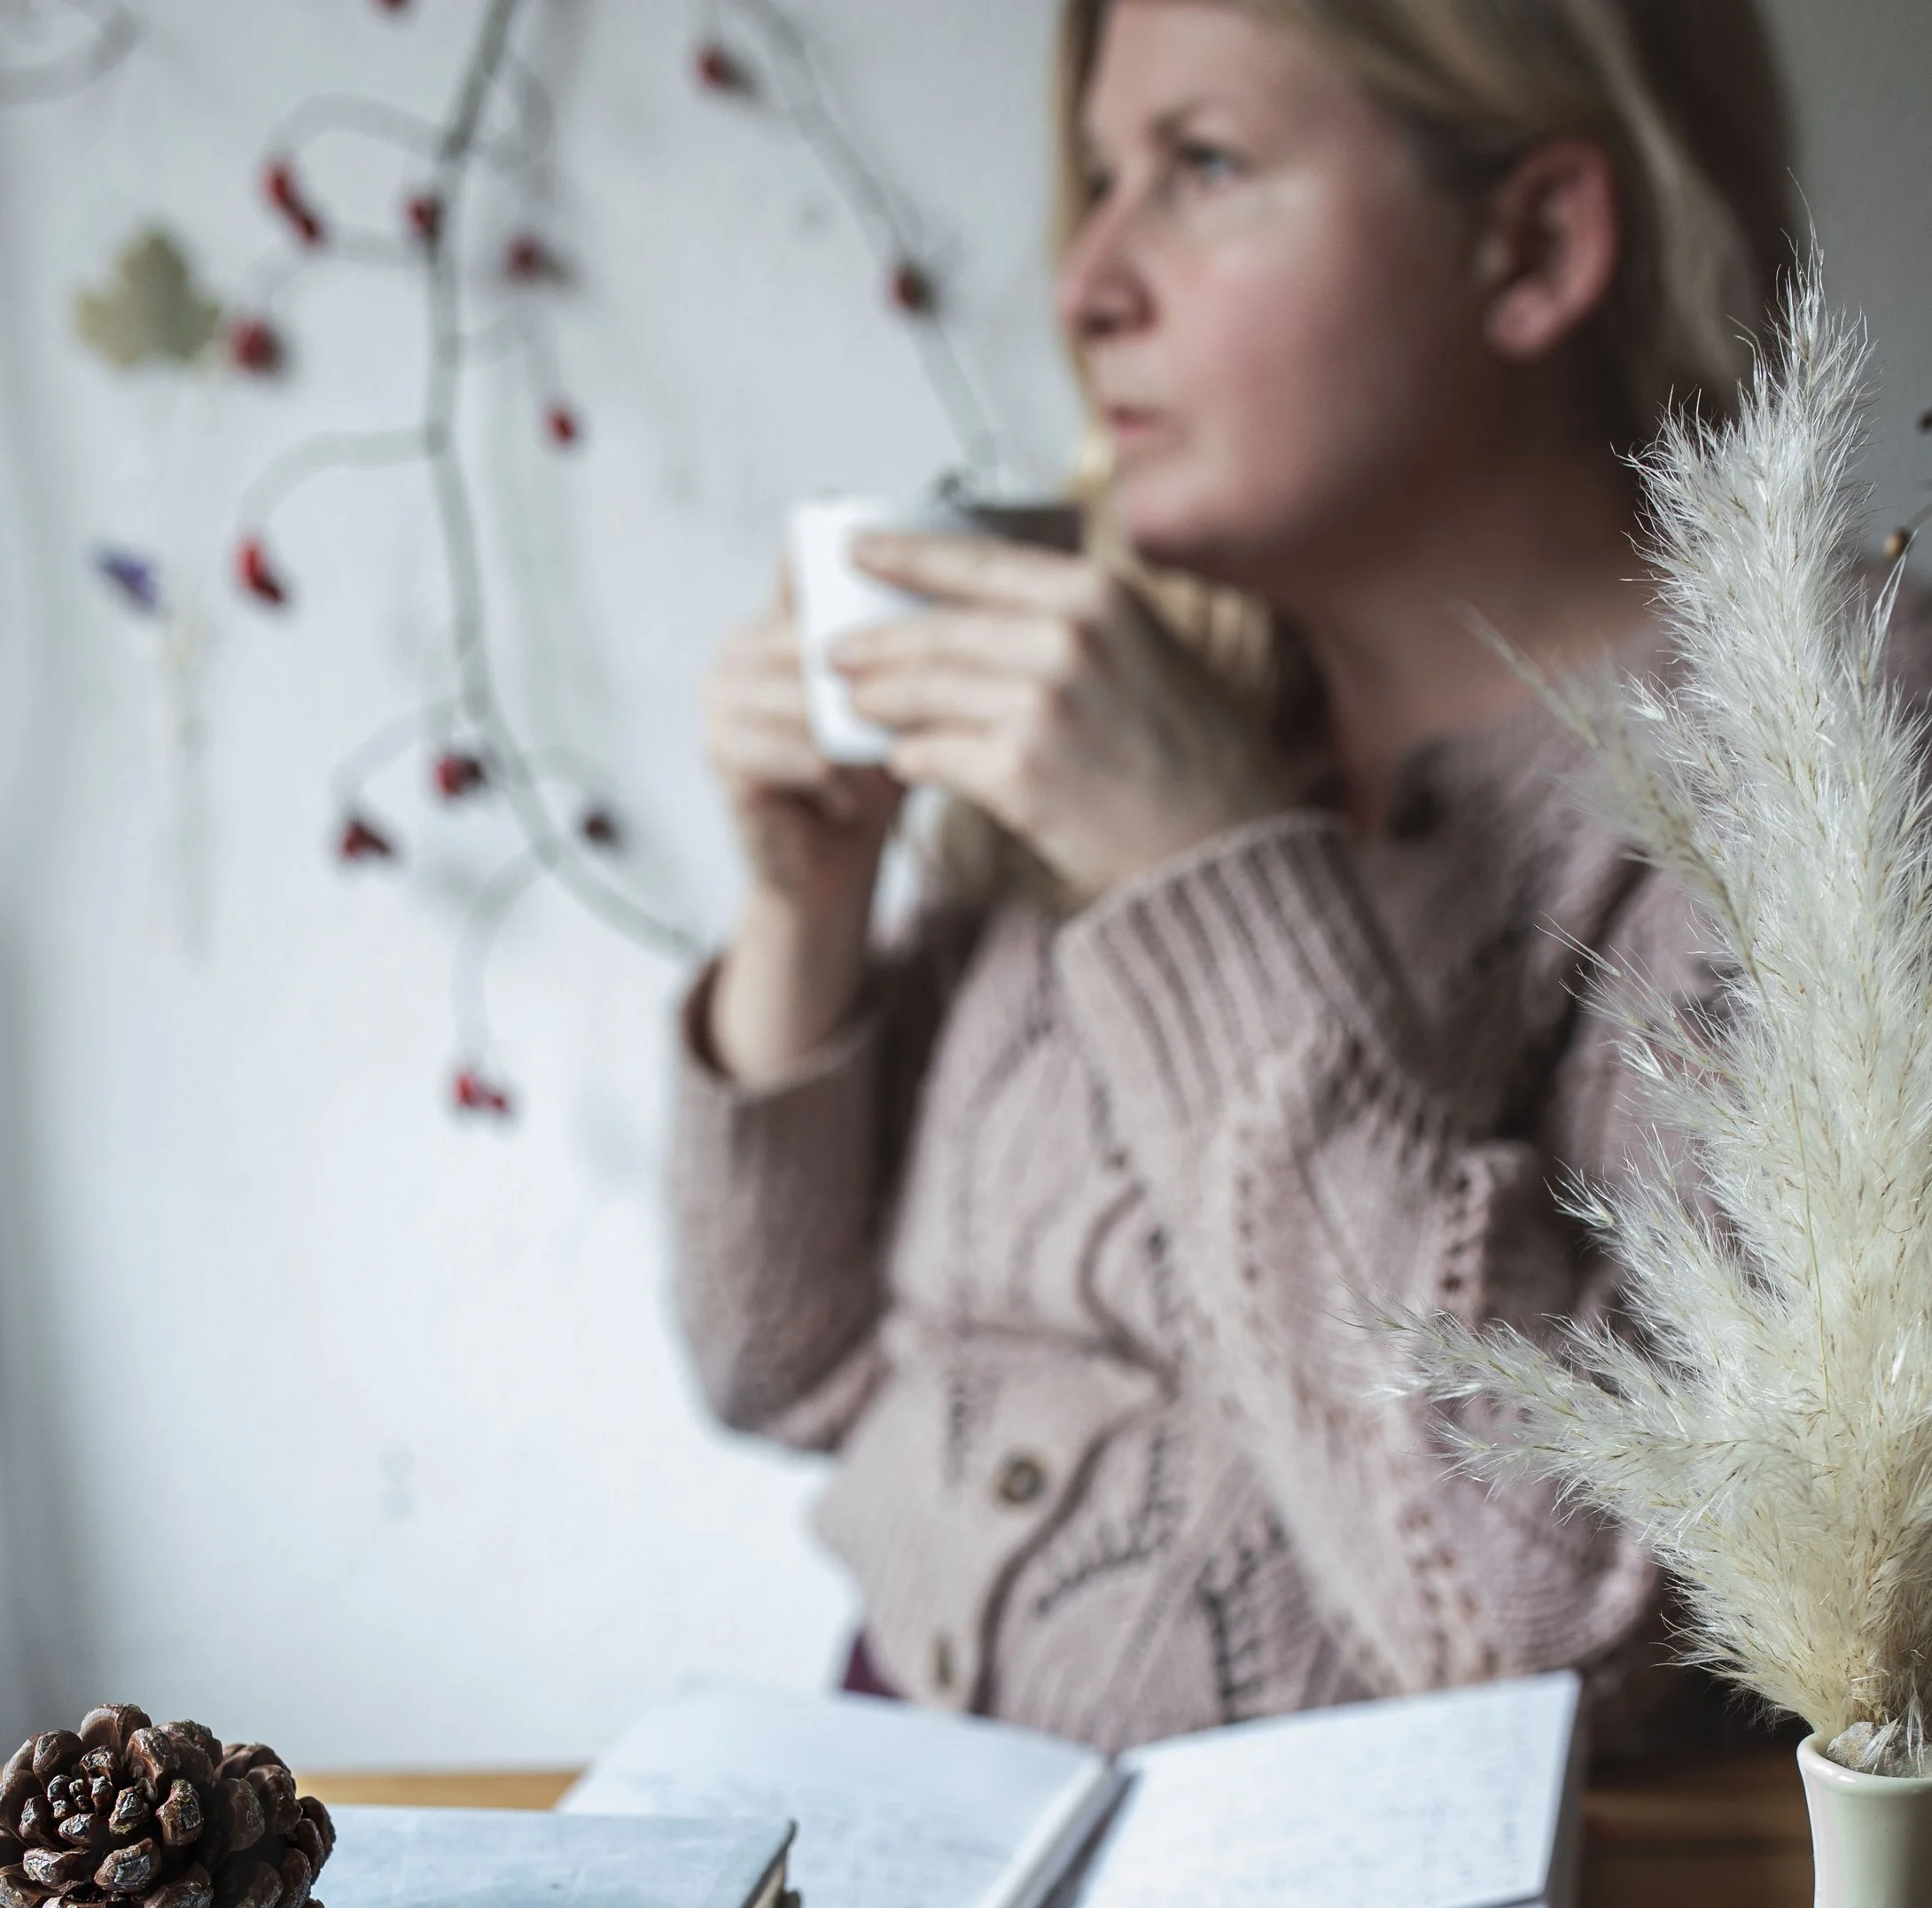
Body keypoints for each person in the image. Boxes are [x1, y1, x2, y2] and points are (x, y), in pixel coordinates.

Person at [670, 0, 1853, 1756]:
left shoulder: (1821, 786)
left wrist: (1202, 868)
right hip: (891, 1872)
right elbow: (777, 1358)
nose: (1082, 285)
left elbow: (1552, 1635)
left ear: (1529, 245)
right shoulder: (1155, 692)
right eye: (1096, 178)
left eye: (1202, 166)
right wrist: (803, 908)